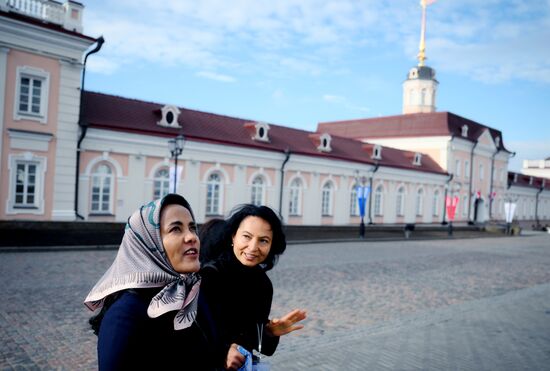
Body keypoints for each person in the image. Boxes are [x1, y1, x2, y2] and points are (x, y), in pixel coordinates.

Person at [85, 194, 222, 370]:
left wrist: (225, 353)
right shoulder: (125, 314)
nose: (192, 237)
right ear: (147, 243)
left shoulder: (192, 293)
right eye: (176, 229)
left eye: (192, 227)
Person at [200, 204, 307, 370]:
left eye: (263, 240)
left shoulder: (263, 285)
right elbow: (192, 333)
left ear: (272, 245)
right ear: (233, 237)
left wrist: (270, 333)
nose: (253, 247)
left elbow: (257, 344)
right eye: (247, 237)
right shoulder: (210, 276)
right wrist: (223, 351)